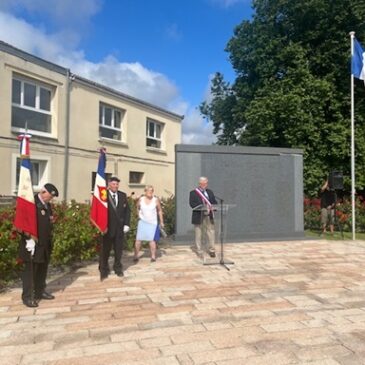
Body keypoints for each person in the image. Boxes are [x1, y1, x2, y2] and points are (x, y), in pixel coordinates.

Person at [18, 183, 59, 308]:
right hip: (32, 243)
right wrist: (28, 238)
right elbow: (22, 223)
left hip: (44, 244)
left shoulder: (47, 205)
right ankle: (28, 297)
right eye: (49, 196)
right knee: (31, 271)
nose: (50, 199)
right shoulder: (31, 203)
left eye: (51, 198)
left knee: (42, 269)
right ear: (43, 192)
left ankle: (40, 291)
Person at [99, 176, 131, 281]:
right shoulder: (103, 196)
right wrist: (102, 226)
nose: (115, 186)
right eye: (113, 184)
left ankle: (118, 268)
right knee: (105, 251)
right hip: (107, 229)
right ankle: (104, 270)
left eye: (117, 184)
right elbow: (100, 212)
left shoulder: (122, 195)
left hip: (119, 229)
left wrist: (127, 224)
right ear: (109, 184)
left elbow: (127, 211)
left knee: (118, 251)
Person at [134, 185, 164, 262]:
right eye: (148, 190)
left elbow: (159, 211)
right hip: (143, 222)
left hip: (152, 223)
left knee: (152, 240)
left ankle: (153, 256)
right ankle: (136, 255)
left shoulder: (155, 200)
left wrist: (161, 221)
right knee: (138, 240)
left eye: (151, 191)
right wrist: (138, 215)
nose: (150, 192)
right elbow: (137, 207)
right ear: (145, 191)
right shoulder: (141, 199)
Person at [189, 177, 217, 258]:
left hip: (209, 215)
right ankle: (199, 251)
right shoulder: (193, 193)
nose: (204, 185)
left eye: (206, 183)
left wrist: (215, 206)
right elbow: (192, 204)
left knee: (211, 232)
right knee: (198, 234)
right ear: (199, 184)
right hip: (199, 215)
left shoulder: (210, 192)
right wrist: (202, 207)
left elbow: (214, 202)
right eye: (203, 183)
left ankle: (212, 250)